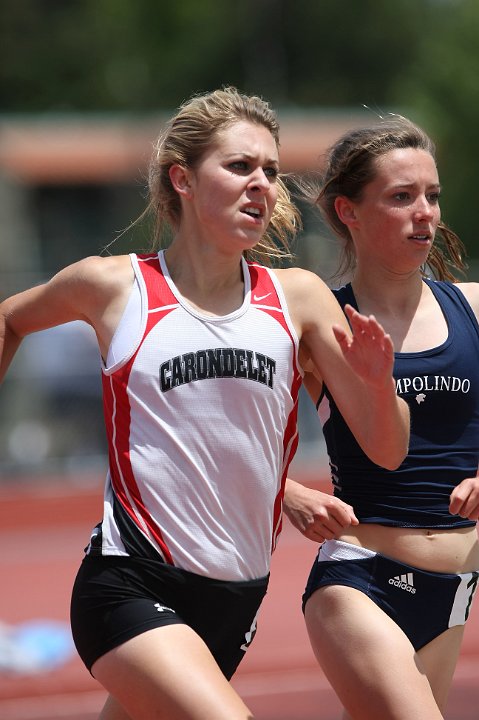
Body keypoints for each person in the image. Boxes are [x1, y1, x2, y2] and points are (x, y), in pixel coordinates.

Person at [0, 87, 409, 720]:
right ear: (182, 179)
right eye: (240, 166)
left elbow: (386, 450)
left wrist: (378, 385)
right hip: (129, 583)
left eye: (270, 171)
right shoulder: (113, 286)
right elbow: (10, 320)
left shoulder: (296, 299)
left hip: (234, 600)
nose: (261, 184)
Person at [298, 115, 479, 720]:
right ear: (348, 211)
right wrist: (285, 491)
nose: (424, 212)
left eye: (432, 195)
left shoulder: (473, 306)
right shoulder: (321, 325)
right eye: (401, 197)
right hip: (362, 579)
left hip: (453, 589)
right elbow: (228, 434)